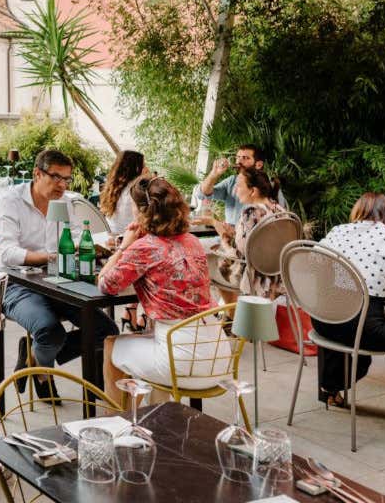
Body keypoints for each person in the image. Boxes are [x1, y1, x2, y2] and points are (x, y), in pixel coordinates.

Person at [0, 149, 118, 398]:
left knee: (106, 331)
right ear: (37, 174)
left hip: (56, 280)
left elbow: (73, 236)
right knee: (50, 331)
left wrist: (95, 243)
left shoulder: (65, 202)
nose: (62, 185)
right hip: (16, 281)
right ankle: (43, 364)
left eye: (67, 179)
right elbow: (6, 253)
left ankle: (34, 358)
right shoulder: (11, 201)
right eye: (56, 177)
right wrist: (49, 257)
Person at [98, 178, 217, 400]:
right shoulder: (192, 241)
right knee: (148, 340)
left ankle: (118, 416)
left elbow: (105, 284)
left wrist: (125, 246)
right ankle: (155, 414)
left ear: (142, 211)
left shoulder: (144, 247)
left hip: (183, 363)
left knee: (112, 344)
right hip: (217, 356)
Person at [314, 193, 385, 419]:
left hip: (322, 319)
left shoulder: (337, 231)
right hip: (363, 329)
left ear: (357, 211)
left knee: (342, 314)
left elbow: (312, 262)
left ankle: (330, 388)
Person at [210, 166, 287, 301]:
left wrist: (224, 239)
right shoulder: (279, 209)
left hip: (255, 278)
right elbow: (261, 242)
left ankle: (232, 311)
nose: (235, 190)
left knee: (210, 262)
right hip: (278, 276)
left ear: (253, 191)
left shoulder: (250, 213)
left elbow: (240, 255)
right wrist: (235, 234)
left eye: (239, 186)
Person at [194, 144, 286, 237]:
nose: (239, 161)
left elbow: (277, 225)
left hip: (249, 240)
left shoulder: (271, 187)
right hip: (232, 237)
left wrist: (214, 223)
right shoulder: (231, 181)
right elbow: (202, 194)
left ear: (259, 165)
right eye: (237, 157)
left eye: (245, 158)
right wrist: (214, 174)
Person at [99, 150, 148, 233]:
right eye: (143, 165)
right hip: (129, 236)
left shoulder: (112, 188)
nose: (146, 168)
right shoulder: (137, 190)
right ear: (137, 168)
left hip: (111, 233)